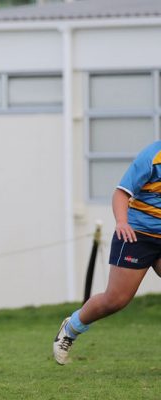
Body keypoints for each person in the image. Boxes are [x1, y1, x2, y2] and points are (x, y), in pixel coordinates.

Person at [53, 140, 161, 364]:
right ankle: (71, 327)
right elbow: (121, 193)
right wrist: (122, 222)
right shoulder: (151, 156)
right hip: (136, 234)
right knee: (115, 299)